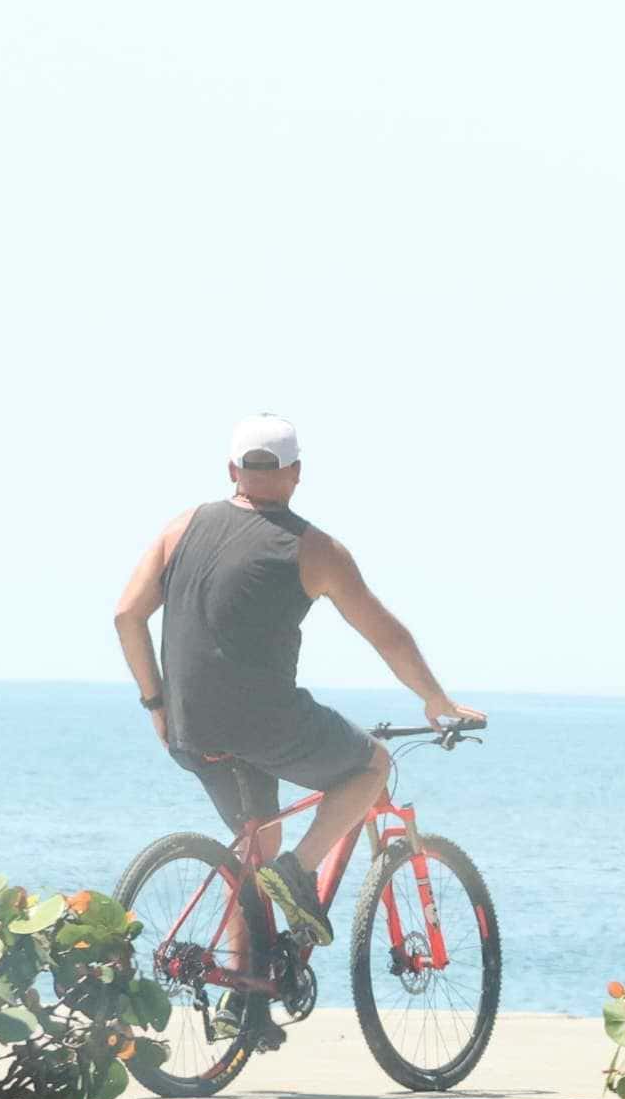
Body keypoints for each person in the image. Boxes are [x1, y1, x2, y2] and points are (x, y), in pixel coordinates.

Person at [112, 415, 481, 1045]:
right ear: (296, 474)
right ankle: (303, 870)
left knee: (251, 848)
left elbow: (126, 615)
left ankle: (244, 1002)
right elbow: (384, 632)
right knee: (369, 766)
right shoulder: (314, 548)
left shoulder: (180, 528)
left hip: (189, 726)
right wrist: (436, 698)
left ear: (233, 472)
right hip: (262, 720)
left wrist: (155, 703)